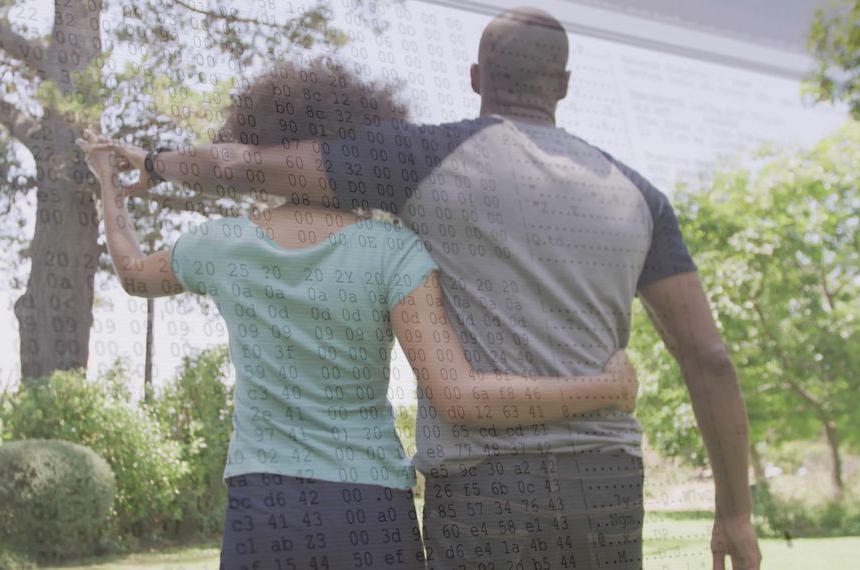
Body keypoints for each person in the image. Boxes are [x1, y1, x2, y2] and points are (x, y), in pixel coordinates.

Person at [93, 7, 762, 569]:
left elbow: (237, 169)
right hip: (604, 482)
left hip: (480, 489)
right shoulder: (639, 196)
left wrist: (148, 165)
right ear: (563, 84)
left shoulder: (419, 159)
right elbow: (710, 359)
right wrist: (734, 511)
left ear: (476, 77)